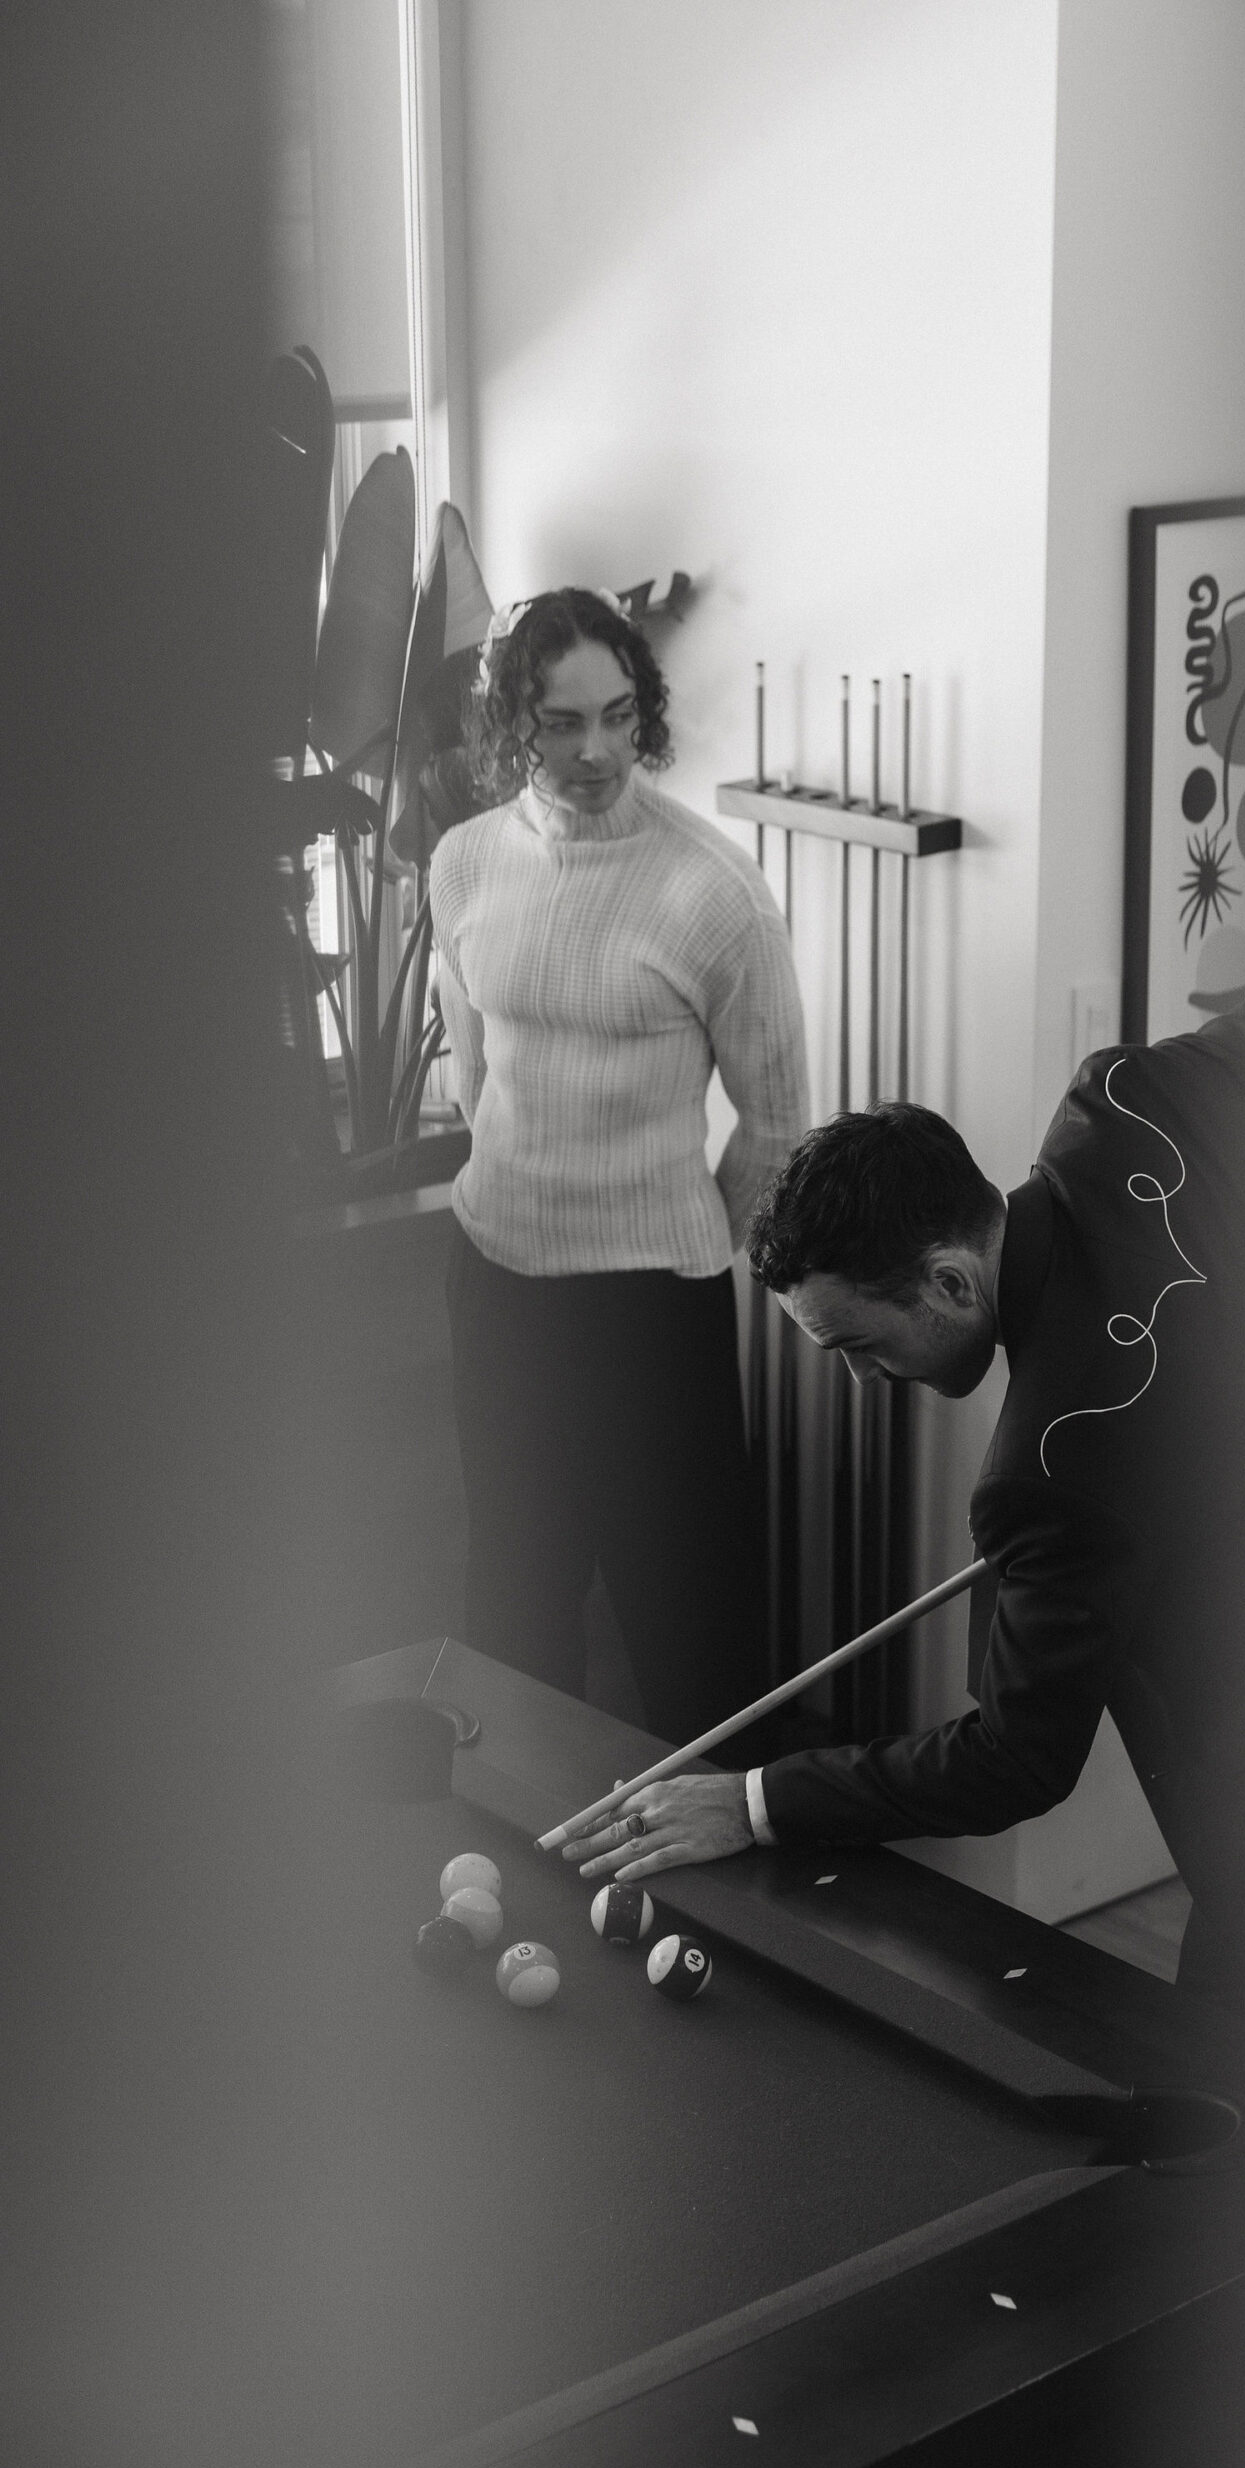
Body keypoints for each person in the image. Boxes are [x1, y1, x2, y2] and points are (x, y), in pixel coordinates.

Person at [563, 976, 1245, 2012]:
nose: (861, 1379)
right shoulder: (1133, 1095)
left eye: (857, 1344)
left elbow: (1016, 1760)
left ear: (948, 1281)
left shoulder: (1051, 1470)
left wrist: (753, 1801)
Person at [430, 585, 809, 1742]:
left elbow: (777, 1126)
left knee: (691, 1629)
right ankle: (518, 1843)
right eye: (560, 720)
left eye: (617, 712)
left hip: (654, 1308)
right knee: (515, 1598)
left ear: (644, 709)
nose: (596, 748)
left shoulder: (716, 891)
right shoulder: (462, 864)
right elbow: (473, 1069)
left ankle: (726, 1897)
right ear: (513, 724)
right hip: (498, 1278)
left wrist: (669, 1234)